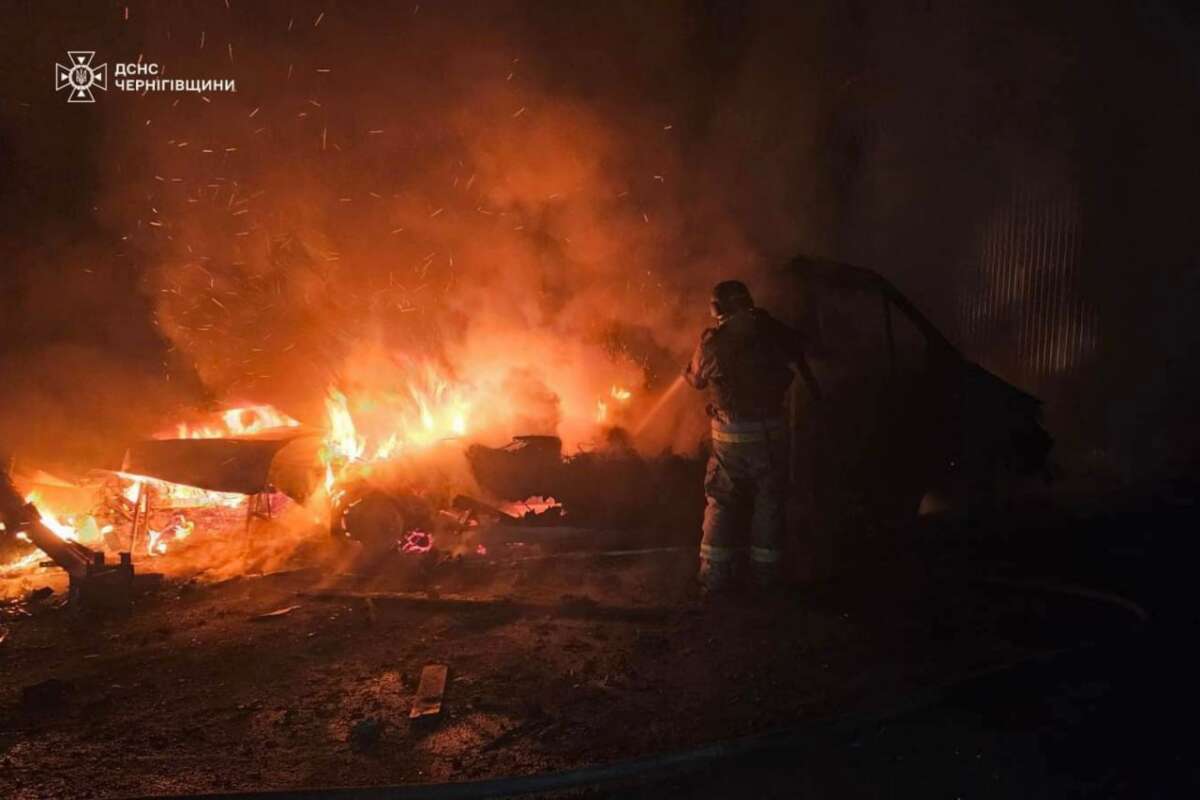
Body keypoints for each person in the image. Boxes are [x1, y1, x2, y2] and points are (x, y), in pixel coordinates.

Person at [683, 279, 821, 595]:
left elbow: (696, 379)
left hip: (728, 440)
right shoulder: (771, 333)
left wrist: (686, 371)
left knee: (722, 502)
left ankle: (715, 577)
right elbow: (801, 348)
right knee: (769, 503)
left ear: (717, 308)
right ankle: (766, 576)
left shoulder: (713, 342)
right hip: (769, 436)